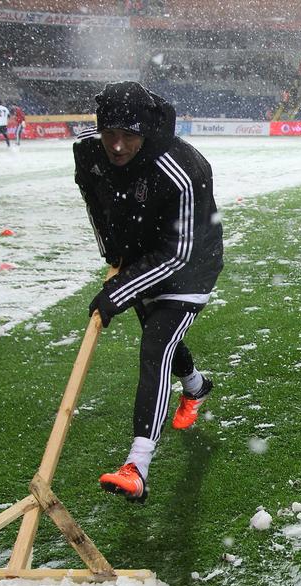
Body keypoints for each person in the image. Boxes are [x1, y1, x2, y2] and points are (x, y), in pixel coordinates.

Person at [73, 81, 223, 502]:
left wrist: (118, 292)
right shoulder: (89, 151)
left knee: (156, 345)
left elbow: (179, 254)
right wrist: (113, 253)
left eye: (129, 136)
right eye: (109, 134)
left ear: (146, 131)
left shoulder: (184, 168)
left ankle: (136, 466)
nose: (117, 146)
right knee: (165, 341)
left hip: (191, 264)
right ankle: (196, 388)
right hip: (139, 258)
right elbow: (95, 200)